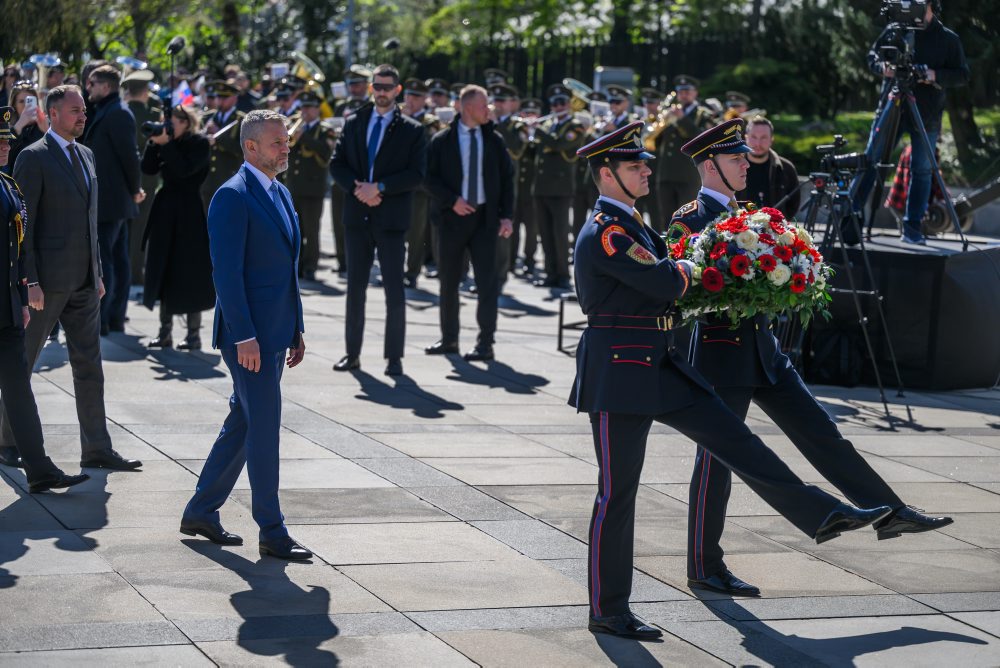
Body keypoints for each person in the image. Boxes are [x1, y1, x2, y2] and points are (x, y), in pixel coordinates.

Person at [572, 120, 893, 640]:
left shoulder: (632, 224)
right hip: (619, 373)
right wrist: (702, 265)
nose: (646, 170)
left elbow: (672, 272)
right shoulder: (606, 232)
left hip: (660, 364)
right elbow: (666, 279)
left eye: (644, 163)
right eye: (634, 166)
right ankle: (608, 609)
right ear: (606, 175)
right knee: (617, 493)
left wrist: (694, 266)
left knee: (736, 441)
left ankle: (823, 513)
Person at [670, 119, 952, 597]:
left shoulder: (752, 214)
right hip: (722, 355)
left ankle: (889, 511)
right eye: (736, 158)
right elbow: (684, 292)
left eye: (744, 156)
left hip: (764, 350)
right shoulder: (688, 219)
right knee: (716, 462)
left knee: (822, 432)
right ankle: (704, 564)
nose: (745, 163)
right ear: (709, 165)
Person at [181, 109, 310, 561]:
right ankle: (272, 531)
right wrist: (244, 336)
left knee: (244, 422)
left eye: (287, 140)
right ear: (251, 146)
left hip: (276, 332)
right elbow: (227, 274)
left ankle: (200, 510)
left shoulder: (280, 192)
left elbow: (287, 270)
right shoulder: (232, 196)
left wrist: (296, 327)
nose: (286, 147)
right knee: (264, 429)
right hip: (249, 337)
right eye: (277, 142)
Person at [1, 85, 141, 472]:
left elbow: (89, 222)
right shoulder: (33, 157)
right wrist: (28, 281)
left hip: (82, 282)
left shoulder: (87, 155)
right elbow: (22, 226)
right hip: (45, 284)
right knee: (21, 365)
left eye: (83, 110)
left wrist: (96, 272)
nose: (83, 116)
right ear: (54, 113)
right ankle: (7, 441)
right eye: (75, 110)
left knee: (90, 366)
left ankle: (96, 447)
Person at [0, 107, 90, 491]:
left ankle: (38, 468)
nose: (5, 147)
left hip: (5, 308)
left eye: (6, 140)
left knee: (19, 387)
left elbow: (14, 248)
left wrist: (20, 296)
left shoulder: (6, 184)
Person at [329, 64, 426, 376]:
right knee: (355, 289)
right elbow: (337, 164)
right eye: (378, 86)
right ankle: (351, 354)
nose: (382, 92)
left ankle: (394, 358)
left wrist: (380, 187)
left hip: (390, 218)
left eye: (388, 87)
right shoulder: (355, 121)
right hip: (358, 216)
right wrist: (359, 189)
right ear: (372, 88)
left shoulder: (412, 128)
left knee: (394, 291)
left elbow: (416, 174)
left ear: (398, 91)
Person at [863, 0, 969, 244]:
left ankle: (912, 227)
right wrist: (884, 68)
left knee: (922, 169)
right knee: (870, 160)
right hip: (892, 107)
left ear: (931, 6)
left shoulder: (947, 39)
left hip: (927, 113)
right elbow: (872, 57)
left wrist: (933, 75)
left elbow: (962, 74)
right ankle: (852, 217)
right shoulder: (895, 30)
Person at [425, 84, 514, 361]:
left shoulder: (494, 140)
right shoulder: (442, 140)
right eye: (484, 105)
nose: (490, 109)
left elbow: (508, 179)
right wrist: (452, 200)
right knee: (449, 282)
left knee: (487, 283)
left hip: (486, 220)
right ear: (466, 108)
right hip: (452, 219)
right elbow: (428, 178)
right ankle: (449, 339)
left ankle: (485, 343)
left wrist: (507, 215)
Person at [140, 105, 216, 350]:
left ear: (185, 122)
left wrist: (167, 144)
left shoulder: (199, 144)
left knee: (189, 271)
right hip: (165, 209)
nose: (167, 124)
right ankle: (165, 332)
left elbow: (184, 171)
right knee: (162, 266)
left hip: (188, 212)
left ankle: (193, 334)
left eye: (171, 120)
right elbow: (148, 169)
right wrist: (154, 143)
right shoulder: (164, 141)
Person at [81, 64, 143, 336]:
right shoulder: (106, 109)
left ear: (106, 87)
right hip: (110, 199)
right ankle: (112, 318)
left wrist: (135, 189)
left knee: (107, 261)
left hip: (112, 200)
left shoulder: (118, 113)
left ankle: (105, 319)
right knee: (115, 259)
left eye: (92, 84)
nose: (88, 88)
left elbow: (129, 157)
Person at [532, 83, 585, 289]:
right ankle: (550, 272)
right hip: (541, 187)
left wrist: (537, 131)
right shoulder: (546, 126)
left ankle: (563, 274)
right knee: (544, 233)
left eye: (562, 102)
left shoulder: (575, 126)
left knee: (560, 233)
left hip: (561, 188)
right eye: (555, 103)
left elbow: (559, 144)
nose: (558, 106)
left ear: (569, 104)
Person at [650, 75, 715, 231]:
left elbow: (701, 138)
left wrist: (682, 119)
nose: (683, 95)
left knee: (687, 219)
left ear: (695, 93)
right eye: (681, 91)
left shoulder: (702, 114)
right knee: (666, 220)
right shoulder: (669, 112)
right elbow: (655, 144)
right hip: (665, 174)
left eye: (687, 91)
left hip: (688, 175)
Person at [282, 91, 334, 282]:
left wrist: (303, 137)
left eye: (309, 107)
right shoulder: (295, 126)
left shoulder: (325, 129)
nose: (305, 111)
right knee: (296, 230)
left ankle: (311, 266)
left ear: (317, 109)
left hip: (313, 188)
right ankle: (298, 265)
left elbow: (326, 152)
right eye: (303, 107)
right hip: (294, 187)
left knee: (311, 231)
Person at [401, 78, 443, 289]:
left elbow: (428, 149)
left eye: (416, 97)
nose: (410, 100)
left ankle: (412, 271)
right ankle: (395, 268)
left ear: (424, 99)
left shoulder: (430, 122)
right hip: (396, 184)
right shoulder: (396, 117)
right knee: (395, 228)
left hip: (418, 185)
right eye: (408, 95)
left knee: (417, 231)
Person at [122, 69, 163, 287]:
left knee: (125, 228)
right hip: (146, 177)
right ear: (145, 91)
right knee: (140, 227)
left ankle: (125, 272)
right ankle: (136, 273)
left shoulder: (122, 111)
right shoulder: (154, 115)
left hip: (124, 177)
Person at [490, 83, 526, 292]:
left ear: (511, 103)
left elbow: (517, 150)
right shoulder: (485, 121)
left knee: (503, 230)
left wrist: (498, 125)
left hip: (507, 184)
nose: (498, 105)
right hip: (487, 182)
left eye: (502, 101)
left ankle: (500, 276)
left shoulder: (516, 126)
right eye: (496, 100)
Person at [735, 116, 801, 217]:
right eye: (754, 137)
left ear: (771, 140)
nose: (758, 143)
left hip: (776, 230)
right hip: (737, 229)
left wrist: (779, 226)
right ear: (746, 137)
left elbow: (794, 203)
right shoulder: (732, 166)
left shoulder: (787, 168)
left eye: (764, 137)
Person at [200, 80, 246, 213]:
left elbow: (242, 150)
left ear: (234, 98)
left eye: (224, 98)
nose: (220, 101)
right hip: (207, 180)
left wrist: (218, 137)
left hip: (229, 177)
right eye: (218, 97)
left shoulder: (242, 120)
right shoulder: (207, 118)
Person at [512, 98, 542, 278]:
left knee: (531, 229)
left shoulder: (541, 133)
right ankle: (510, 259)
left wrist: (534, 131)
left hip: (532, 188)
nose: (529, 117)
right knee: (513, 227)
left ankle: (529, 261)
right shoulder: (516, 131)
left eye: (533, 113)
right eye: (526, 113)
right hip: (517, 188)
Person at [7, 81, 48, 172]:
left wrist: (46, 131)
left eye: (29, 101)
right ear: (14, 105)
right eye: (21, 101)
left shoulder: (45, 124)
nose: (26, 105)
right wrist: (18, 127)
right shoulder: (7, 128)